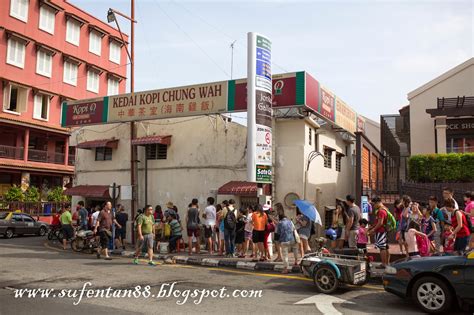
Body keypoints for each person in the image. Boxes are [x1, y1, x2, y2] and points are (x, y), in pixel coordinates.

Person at [368, 197, 389, 267]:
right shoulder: (385, 209)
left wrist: (373, 230)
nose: (373, 206)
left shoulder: (381, 211)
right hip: (384, 231)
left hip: (381, 231)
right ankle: (386, 263)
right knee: (385, 247)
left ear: (377, 203)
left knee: (382, 248)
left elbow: (380, 223)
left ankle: (384, 264)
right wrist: (371, 227)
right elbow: (378, 222)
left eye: (374, 204)